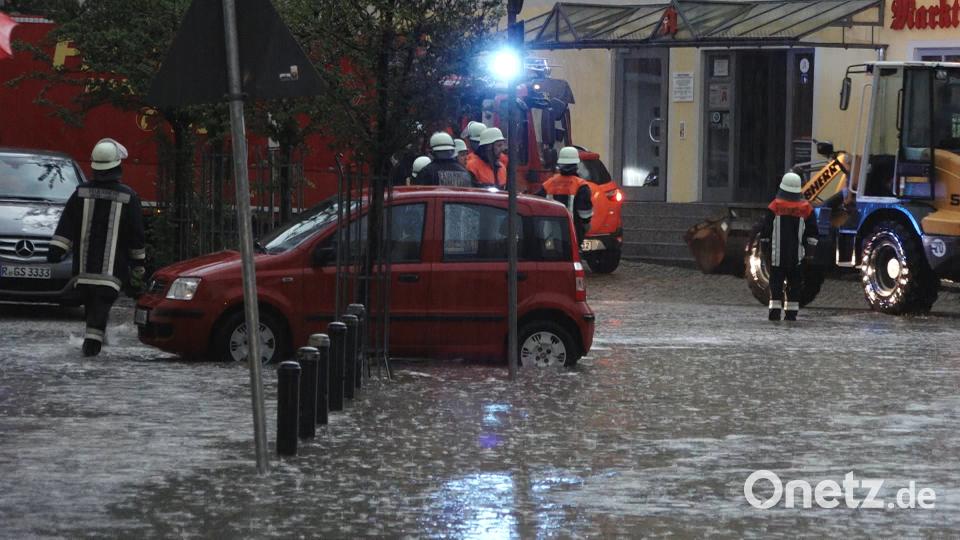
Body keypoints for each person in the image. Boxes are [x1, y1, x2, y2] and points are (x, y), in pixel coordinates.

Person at [47, 138, 146, 356]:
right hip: (111, 278)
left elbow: (65, 227)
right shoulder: (129, 197)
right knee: (99, 313)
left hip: (82, 276)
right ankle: (92, 356)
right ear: (117, 166)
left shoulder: (80, 193)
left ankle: (92, 350)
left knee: (94, 310)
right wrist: (138, 269)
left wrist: (56, 251)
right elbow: (136, 237)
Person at [760, 172, 818, 321]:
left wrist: (764, 250)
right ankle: (791, 314)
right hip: (797, 256)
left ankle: (774, 312)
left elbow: (766, 231)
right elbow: (812, 233)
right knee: (795, 284)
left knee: (776, 283)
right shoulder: (806, 209)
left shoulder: (774, 206)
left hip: (777, 255)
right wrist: (810, 253)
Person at [536, 146, 593, 245]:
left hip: (550, 234)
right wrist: (586, 226)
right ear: (576, 164)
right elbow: (585, 214)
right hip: (573, 234)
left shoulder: (548, 183)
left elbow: (537, 203)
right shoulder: (581, 186)